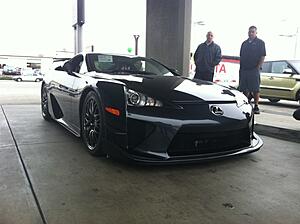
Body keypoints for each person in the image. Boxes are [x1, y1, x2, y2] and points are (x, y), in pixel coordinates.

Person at [239, 26, 266, 114]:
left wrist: (258, 67)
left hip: (254, 69)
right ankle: (246, 104)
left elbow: (262, 56)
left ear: (256, 33)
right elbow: (241, 57)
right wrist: (241, 68)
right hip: (244, 69)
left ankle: (256, 106)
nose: (251, 33)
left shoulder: (260, 43)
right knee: (244, 88)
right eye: (249, 32)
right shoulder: (244, 43)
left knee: (255, 88)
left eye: (253, 32)